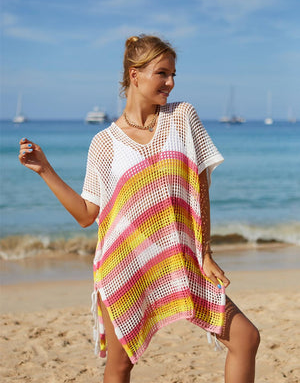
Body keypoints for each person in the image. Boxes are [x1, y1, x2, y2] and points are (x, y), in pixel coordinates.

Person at [19, 34, 260, 383]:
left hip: (183, 258)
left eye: (174, 74)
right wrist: (45, 169)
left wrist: (204, 251)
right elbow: (88, 214)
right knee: (120, 365)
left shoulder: (182, 118)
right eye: (162, 73)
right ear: (135, 74)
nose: (171, 82)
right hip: (125, 264)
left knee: (245, 337)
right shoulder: (103, 143)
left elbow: (200, 186)